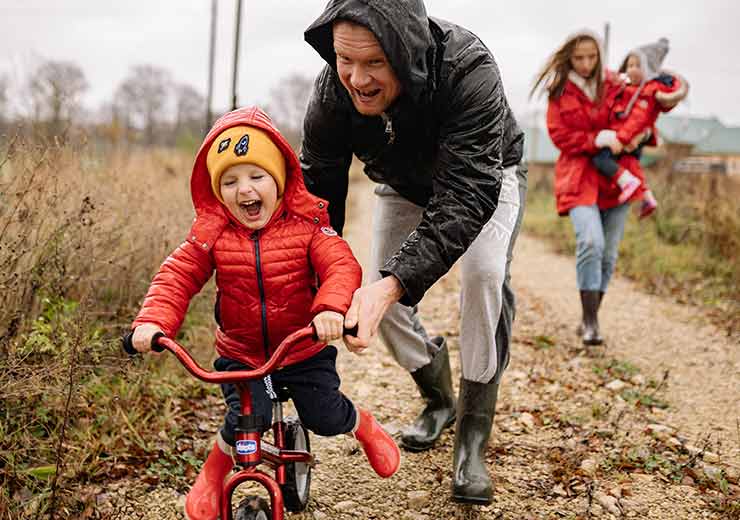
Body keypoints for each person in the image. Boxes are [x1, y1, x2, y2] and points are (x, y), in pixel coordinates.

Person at [301, 0, 526, 504]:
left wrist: (394, 284)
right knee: (379, 293)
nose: (357, 79)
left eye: (375, 62)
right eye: (345, 60)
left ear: (405, 52)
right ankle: (438, 398)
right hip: (401, 184)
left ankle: (472, 436)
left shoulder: (469, 68)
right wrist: (317, 280)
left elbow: (467, 195)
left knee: (484, 276)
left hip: (486, 176)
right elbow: (318, 194)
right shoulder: (330, 91)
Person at [129, 107, 400, 520]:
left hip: (301, 348)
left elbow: (341, 265)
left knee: (324, 416)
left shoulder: (308, 226)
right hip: (242, 354)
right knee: (243, 421)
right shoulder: (212, 234)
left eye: (256, 176)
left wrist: (329, 309)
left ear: (279, 179)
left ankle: (362, 425)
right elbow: (178, 275)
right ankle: (213, 473)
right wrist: (153, 321)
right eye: (230, 181)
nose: (245, 190)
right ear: (218, 192)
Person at [531, 31, 685, 345]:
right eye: (579, 57)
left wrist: (672, 92)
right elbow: (560, 136)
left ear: (599, 56)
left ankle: (592, 318)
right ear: (569, 58)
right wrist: (597, 139)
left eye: (592, 57)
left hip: (617, 178)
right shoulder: (559, 91)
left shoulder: (615, 81)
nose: (586, 64)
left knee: (608, 254)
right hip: (578, 176)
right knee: (591, 242)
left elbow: (648, 99)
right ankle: (589, 321)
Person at [591, 37, 688, 218]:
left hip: (625, 138)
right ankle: (647, 197)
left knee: (601, 159)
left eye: (637, 65)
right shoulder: (628, 89)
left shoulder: (646, 93)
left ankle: (627, 182)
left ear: (649, 70)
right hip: (626, 138)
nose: (631, 70)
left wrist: (621, 139)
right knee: (631, 165)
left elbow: (637, 120)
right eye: (629, 65)